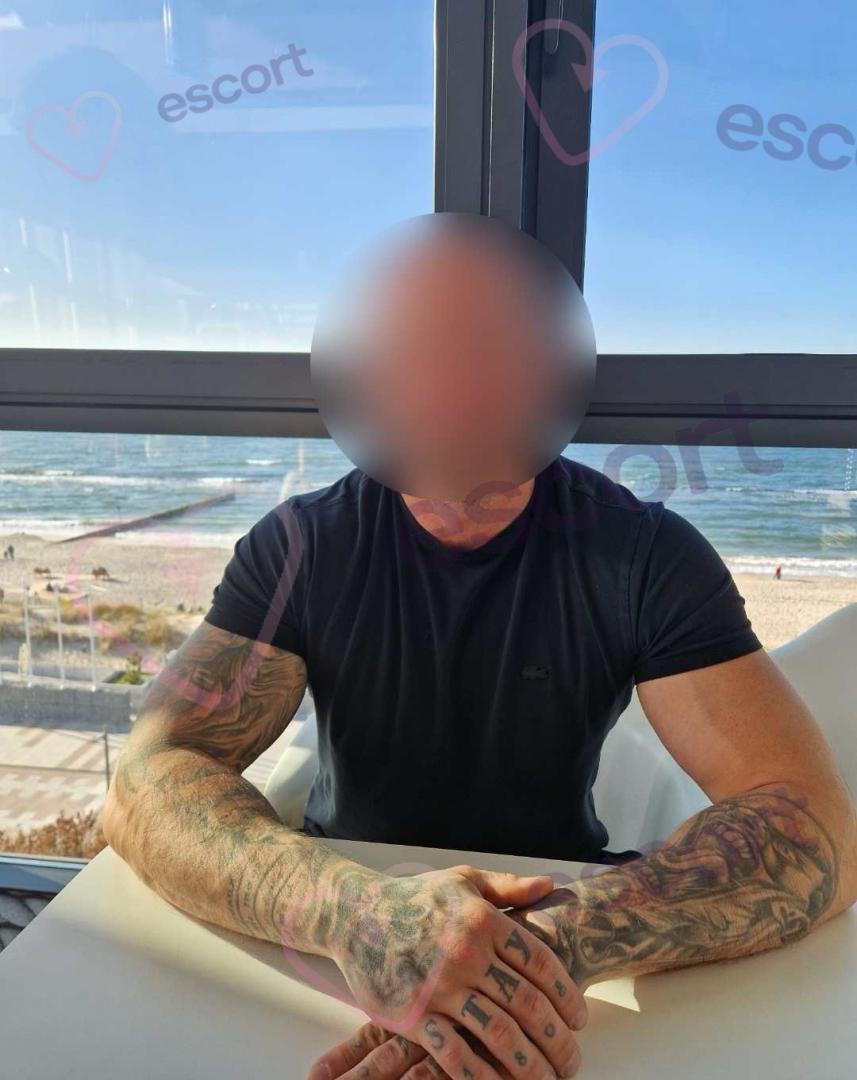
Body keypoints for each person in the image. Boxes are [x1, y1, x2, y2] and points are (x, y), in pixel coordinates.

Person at [102, 216, 857, 1080]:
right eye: (418, 350)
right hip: (341, 915)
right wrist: (360, 918)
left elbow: (813, 828)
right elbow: (148, 778)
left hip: (562, 915)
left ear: (545, 367)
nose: (450, 380)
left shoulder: (643, 556)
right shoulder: (300, 548)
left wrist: (523, 956)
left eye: (485, 347)